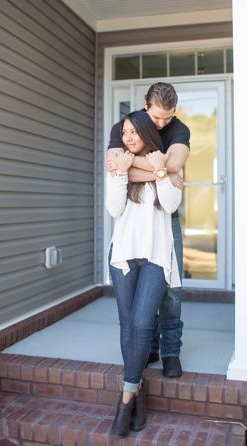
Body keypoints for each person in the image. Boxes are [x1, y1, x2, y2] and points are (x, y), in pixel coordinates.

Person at [107, 82, 190, 378]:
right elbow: (115, 166)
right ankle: (149, 345)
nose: (162, 123)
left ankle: (170, 350)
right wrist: (159, 170)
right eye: (157, 117)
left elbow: (176, 164)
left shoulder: (179, 129)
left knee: (171, 291)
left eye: (168, 117)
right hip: (135, 220)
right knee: (143, 291)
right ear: (145, 104)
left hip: (166, 218)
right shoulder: (126, 127)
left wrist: (132, 167)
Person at [106, 111, 182, 437]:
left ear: (147, 132)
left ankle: (125, 400)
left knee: (141, 322)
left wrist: (160, 170)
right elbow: (114, 209)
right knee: (128, 325)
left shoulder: (163, 162)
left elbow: (170, 203)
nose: (128, 137)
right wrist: (122, 173)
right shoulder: (118, 164)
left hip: (155, 257)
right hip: (123, 256)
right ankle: (137, 393)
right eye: (124, 133)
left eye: (134, 132)